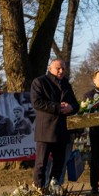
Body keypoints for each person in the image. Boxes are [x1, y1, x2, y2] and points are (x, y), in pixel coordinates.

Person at [31, 59, 79, 188]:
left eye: (63, 68)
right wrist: (58, 107)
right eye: (58, 68)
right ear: (50, 68)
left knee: (59, 163)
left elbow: (76, 104)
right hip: (45, 130)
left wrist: (71, 108)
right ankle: (38, 190)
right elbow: (37, 102)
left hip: (62, 130)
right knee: (41, 164)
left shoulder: (66, 84)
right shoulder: (39, 82)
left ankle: (54, 190)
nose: (61, 71)